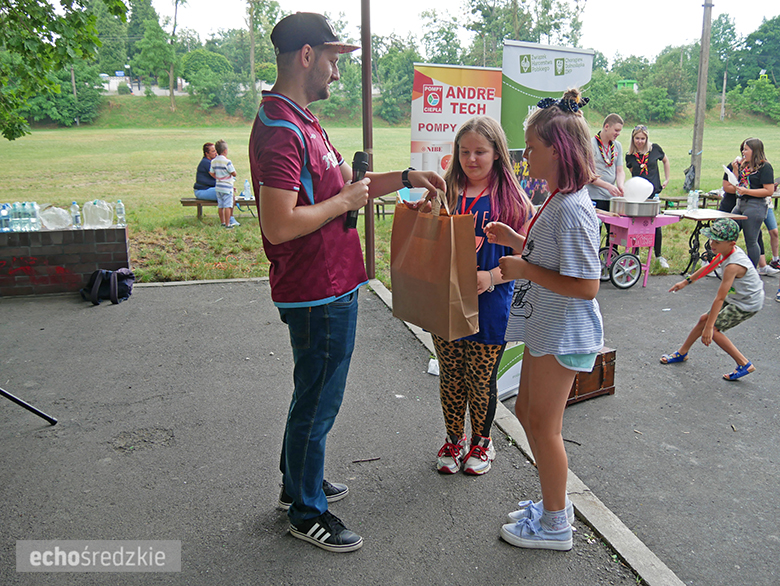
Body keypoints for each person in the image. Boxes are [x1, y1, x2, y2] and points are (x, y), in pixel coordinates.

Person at [248, 12, 445, 553]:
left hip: (329, 284)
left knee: (310, 393)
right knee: (318, 402)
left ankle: (299, 483)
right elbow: (279, 223)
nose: (337, 72)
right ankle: (307, 511)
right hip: (317, 289)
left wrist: (405, 177)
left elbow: (346, 187)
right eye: (333, 60)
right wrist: (340, 203)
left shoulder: (301, 120)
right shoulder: (284, 131)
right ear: (306, 55)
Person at [485, 89, 603, 551]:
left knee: (544, 428)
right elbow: (549, 256)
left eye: (531, 147)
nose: (525, 155)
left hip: (565, 333)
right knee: (529, 415)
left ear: (558, 150)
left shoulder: (572, 209)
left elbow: (587, 285)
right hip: (546, 329)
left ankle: (556, 525)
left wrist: (522, 268)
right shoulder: (559, 198)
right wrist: (518, 239)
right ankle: (553, 503)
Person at [431, 116, 532, 476]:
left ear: (497, 154)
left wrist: (490, 276)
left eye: (480, 152)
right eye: (464, 151)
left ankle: (481, 442)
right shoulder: (446, 193)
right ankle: (453, 439)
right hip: (446, 301)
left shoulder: (514, 201)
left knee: (480, 378)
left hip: (491, 306)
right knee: (451, 374)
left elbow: (529, 256)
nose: (471, 159)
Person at [660, 218, 764, 381]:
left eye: (716, 241)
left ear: (731, 243)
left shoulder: (733, 266)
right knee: (704, 320)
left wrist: (709, 328)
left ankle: (744, 363)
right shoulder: (726, 252)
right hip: (739, 296)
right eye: (711, 239)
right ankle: (682, 353)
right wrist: (685, 282)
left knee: (714, 330)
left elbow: (720, 298)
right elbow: (709, 267)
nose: (711, 244)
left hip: (747, 303)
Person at [720, 138, 776, 270]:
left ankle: (751, 270)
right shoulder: (745, 165)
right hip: (740, 204)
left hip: (755, 206)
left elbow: (769, 190)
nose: (743, 152)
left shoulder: (765, 167)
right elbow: (737, 183)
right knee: (728, 233)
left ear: (755, 151)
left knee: (751, 240)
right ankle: (723, 264)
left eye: (746, 149)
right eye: (743, 149)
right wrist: (735, 170)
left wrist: (747, 191)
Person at [625, 125, 671, 268]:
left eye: (642, 138)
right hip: (638, 195)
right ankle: (636, 253)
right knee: (636, 224)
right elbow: (633, 172)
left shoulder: (654, 149)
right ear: (633, 139)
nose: (640, 141)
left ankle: (658, 255)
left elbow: (665, 161)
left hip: (653, 193)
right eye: (637, 138)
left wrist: (666, 179)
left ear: (647, 138)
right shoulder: (630, 155)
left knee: (655, 224)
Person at [195, 141, 240, 227]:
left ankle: (224, 221)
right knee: (230, 196)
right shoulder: (207, 163)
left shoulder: (213, 162)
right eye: (212, 151)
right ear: (206, 153)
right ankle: (230, 219)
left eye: (215, 150)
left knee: (222, 203)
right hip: (202, 191)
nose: (215, 153)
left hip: (211, 188)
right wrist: (228, 184)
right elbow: (216, 178)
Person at [586, 113, 625, 212]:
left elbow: (620, 170)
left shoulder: (617, 146)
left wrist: (620, 185)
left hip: (611, 197)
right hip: (594, 197)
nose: (618, 133)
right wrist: (608, 186)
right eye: (616, 130)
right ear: (606, 126)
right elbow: (588, 175)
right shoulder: (590, 145)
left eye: (620, 131)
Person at [209, 139, 238, 228]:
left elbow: (211, 172)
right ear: (225, 151)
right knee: (228, 206)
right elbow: (234, 173)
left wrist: (218, 177)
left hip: (218, 186)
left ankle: (222, 222)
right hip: (227, 187)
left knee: (220, 205)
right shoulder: (227, 161)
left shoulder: (213, 161)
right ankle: (228, 223)